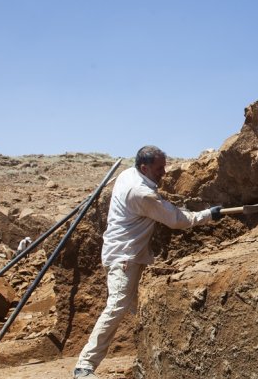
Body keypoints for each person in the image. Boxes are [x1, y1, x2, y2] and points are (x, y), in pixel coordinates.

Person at [73, 145, 221, 379]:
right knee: (116, 307)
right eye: (159, 168)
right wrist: (210, 214)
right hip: (125, 259)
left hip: (124, 254)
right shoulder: (140, 192)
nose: (164, 172)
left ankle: (155, 358)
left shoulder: (127, 174)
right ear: (144, 167)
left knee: (140, 310)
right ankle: (84, 366)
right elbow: (176, 220)